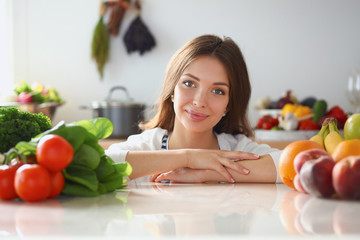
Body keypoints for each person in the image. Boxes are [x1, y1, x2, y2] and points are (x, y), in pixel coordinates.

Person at [106, 34, 282, 183]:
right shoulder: (147, 146)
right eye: (189, 83)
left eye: (218, 91)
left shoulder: (238, 149)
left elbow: (292, 164)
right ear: (172, 90)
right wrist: (189, 158)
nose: (199, 102)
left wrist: (207, 173)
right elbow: (104, 164)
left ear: (229, 104)